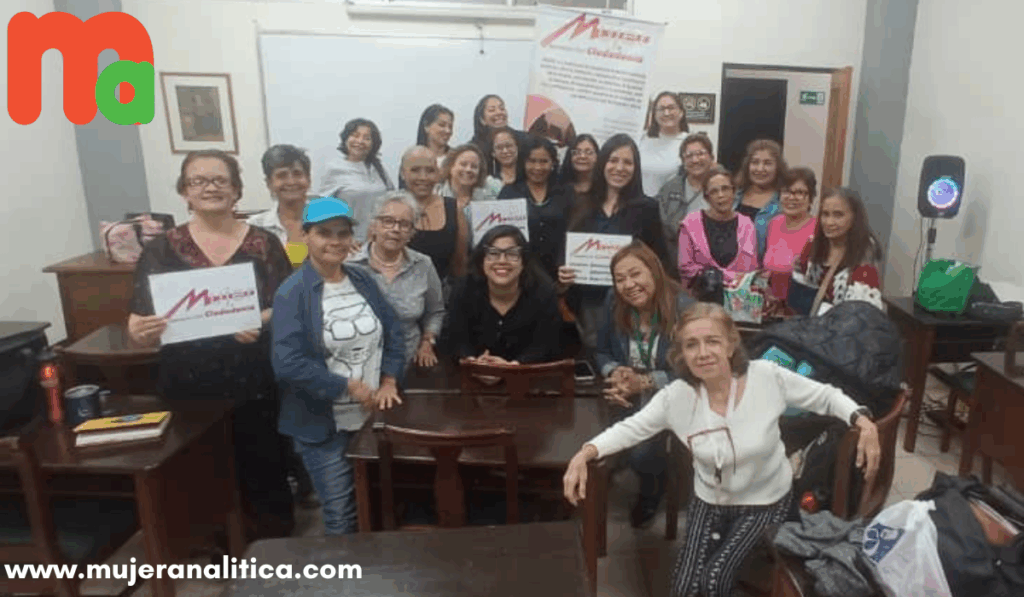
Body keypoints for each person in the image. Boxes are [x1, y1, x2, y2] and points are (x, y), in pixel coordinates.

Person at [563, 302, 882, 597]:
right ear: (682, 354)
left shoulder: (766, 377)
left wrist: (862, 419)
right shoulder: (676, 397)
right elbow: (630, 428)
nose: (703, 352)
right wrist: (586, 452)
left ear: (730, 345)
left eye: (712, 341)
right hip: (710, 501)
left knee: (714, 579)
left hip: (765, 501)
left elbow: (826, 396)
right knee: (684, 587)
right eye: (691, 345)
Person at [126, 150, 295, 539]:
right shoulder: (161, 249)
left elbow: (288, 307)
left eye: (220, 180)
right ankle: (211, 546)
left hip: (252, 378)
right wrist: (140, 330)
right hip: (187, 381)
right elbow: (137, 319)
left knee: (261, 467)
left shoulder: (265, 243)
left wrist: (256, 319)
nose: (210, 187)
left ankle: (269, 546)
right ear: (184, 191)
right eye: (198, 180)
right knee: (199, 470)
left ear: (236, 189)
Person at [271, 197, 405, 536]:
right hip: (321, 427)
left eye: (343, 233)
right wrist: (347, 386)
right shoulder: (291, 292)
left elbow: (393, 330)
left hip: (370, 419)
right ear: (305, 236)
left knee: (376, 505)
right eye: (324, 233)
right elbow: (287, 363)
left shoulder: (362, 279)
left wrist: (389, 379)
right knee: (341, 516)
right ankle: (343, 570)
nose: (335, 241)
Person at [596, 241, 695, 528]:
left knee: (642, 455)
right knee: (591, 435)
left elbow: (694, 372)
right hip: (625, 391)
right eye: (620, 279)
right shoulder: (613, 301)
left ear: (654, 271)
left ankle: (653, 488)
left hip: (672, 395)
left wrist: (647, 382)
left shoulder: (685, 309)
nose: (628, 285)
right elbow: (600, 350)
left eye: (635, 274)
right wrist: (615, 371)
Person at [559, 133, 670, 348]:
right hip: (587, 307)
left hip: (630, 306)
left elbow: (660, 260)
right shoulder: (580, 204)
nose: (619, 168)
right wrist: (563, 275)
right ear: (602, 163)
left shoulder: (647, 208)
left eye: (627, 162)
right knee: (595, 359)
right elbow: (565, 252)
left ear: (635, 168)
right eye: (613, 160)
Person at [346, 191, 445, 368]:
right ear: (374, 225)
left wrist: (427, 342)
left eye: (404, 224)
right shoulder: (349, 264)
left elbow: (435, 312)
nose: (395, 229)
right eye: (388, 221)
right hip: (357, 361)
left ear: (412, 232)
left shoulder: (423, 264)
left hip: (409, 360)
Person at [446, 225, 562, 364]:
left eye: (512, 254)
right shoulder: (463, 288)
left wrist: (513, 366)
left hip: (528, 371)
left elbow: (545, 344)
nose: (502, 261)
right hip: (472, 370)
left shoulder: (544, 292)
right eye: (493, 253)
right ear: (482, 260)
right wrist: (472, 361)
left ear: (523, 262)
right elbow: (456, 338)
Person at [790, 187, 884, 314]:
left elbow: (861, 315)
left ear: (854, 217)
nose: (829, 222)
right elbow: (796, 300)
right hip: (809, 323)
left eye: (838, 215)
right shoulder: (812, 246)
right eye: (825, 214)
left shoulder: (865, 256)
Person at [497, 135, 569, 282]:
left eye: (544, 161)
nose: (537, 167)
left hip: (557, 275)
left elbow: (571, 233)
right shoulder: (509, 192)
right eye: (532, 161)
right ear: (523, 162)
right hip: (517, 274)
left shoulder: (565, 193)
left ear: (553, 163)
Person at [677, 165, 758, 287]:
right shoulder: (689, 224)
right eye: (714, 191)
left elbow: (751, 267)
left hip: (738, 295)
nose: (721, 195)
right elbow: (685, 267)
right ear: (706, 197)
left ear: (734, 192)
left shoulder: (747, 225)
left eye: (725, 189)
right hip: (701, 294)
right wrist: (729, 276)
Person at [401, 145, 469, 283]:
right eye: (415, 170)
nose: (423, 177)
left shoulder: (454, 209)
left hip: (443, 291)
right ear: (403, 173)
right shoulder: (388, 209)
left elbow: (460, 263)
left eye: (430, 171)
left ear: (438, 174)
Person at [318, 118, 394, 241]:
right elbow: (321, 210)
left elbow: (391, 201)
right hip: (348, 242)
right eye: (355, 135)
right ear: (346, 138)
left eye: (366, 138)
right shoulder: (334, 168)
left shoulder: (379, 168)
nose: (360, 141)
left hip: (378, 241)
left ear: (373, 144)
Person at [655, 133, 715, 274]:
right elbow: (662, 229)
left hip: (715, 265)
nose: (695, 160)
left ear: (711, 157)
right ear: (682, 160)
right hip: (676, 265)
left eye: (700, 154)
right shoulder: (669, 189)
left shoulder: (723, 186)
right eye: (689, 156)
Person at [248, 144, 312, 266]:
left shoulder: (329, 220)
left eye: (297, 174)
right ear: (269, 183)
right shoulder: (255, 227)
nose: (291, 182)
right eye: (282, 175)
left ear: (309, 180)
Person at [763, 167, 818, 301]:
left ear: (811, 197)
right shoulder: (774, 224)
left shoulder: (818, 229)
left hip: (801, 304)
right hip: (771, 304)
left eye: (799, 192)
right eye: (786, 191)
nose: (792, 197)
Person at [734, 139, 787, 261]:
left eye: (767, 163)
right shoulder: (734, 196)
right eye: (755, 162)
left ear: (778, 167)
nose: (760, 168)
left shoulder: (783, 203)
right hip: (727, 267)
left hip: (762, 269)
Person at [639, 91, 690, 197]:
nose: (666, 113)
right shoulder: (642, 138)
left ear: (681, 112)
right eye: (661, 109)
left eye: (671, 108)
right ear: (654, 114)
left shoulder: (689, 142)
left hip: (672, 205)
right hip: (641, 203)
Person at [436, 143, 503, 215]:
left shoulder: (491, 190)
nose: (468, 169)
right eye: (463, 164)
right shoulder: (437, 193)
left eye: (474, 166)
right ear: (450, 167)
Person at [557, 133, 599, 200]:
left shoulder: (606, 188)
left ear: (597, 156)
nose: (582, 156)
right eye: (576, 152)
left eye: (589, 152)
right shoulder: (558, 187)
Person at [416, 104, 454, 168]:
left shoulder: (455, 158)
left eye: (450, 127)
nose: (448, 131)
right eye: (442, 125)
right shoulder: (414, 157)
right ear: (426, 126)